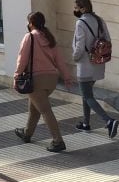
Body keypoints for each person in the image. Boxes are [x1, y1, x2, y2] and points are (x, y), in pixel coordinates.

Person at [13, 11, 74, 152]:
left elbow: (22, 59)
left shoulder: (29, 37)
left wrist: (16, 76)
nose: (28, 25)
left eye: (29, 22)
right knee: (34, 107)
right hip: (51, 79)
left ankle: (58, 141)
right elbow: (59, 59)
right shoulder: (49, 37)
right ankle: (27, 133)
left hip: (36, 79)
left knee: (45, 110)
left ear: (32, 24)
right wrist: (66, 77)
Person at [72, 0, 119, 138]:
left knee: (87, 96)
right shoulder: (99, 20)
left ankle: (109, 121)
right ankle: (86, 123)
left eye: (76, 7)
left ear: (83, 8)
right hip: (98, 63)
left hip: (85, 64)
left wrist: (74, 57)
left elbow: (80, 45)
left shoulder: (80, 23)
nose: (74, 10)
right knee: (86, 94)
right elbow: (108, 40)